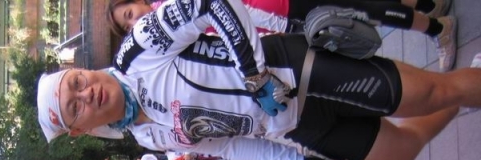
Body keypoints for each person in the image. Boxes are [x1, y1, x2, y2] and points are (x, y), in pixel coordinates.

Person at [37, 0, 480, 160]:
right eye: (75, 107)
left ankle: (464, 90)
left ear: (83, 71)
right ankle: (468, 91)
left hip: (299, 70)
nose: (86, 94)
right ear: (80, 131)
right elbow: (232, 146)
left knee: (433, 94)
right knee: (399, 155)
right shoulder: (146, 137)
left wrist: (254, 74)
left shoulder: (138, 49)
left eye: (76, 83)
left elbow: (211, 3)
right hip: (297, 124)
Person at [107, 0, 457, 71]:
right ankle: (429, 8)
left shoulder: (173, 6)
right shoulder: (175, 31)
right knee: (356, 11)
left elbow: (241, 10)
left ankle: (439, 28)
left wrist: (282, 27)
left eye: (129, 13)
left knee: (359, 14)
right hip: (280, 20)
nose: (134, 22)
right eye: (127, 26)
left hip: (283, 9)